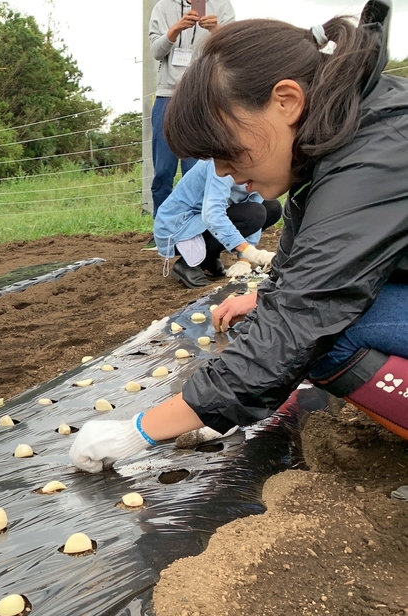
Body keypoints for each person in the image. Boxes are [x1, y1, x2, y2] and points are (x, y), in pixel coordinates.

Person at [70, 0, 408, 472]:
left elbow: (303, 316)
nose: (225, 173)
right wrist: (268, 296)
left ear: (286, 101)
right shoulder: (347, 133)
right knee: (284, 321)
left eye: (227, 152)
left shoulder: (379, 150)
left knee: (329, 333)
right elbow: (305, 269)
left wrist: (142, 429)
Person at [144, 0, 235, 250]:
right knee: (163, 170)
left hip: (202, 96)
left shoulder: (222, 6)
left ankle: (196, 231)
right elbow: (155, 50)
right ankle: (160, 232)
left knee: (196, 169)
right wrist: (174, 30)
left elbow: (232, 49)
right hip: (167, 96)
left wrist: (217, 30)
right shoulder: (163, 7)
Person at [154, 159, 282, 288]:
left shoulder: (260, 169)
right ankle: (188, 263)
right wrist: (251, 252)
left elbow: (255, 203)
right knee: (254, 213)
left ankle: (209, 256)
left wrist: (244, 260)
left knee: (272, 207)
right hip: (178, 227)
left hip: (203, 220)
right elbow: (213, 214)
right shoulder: (222, 164)